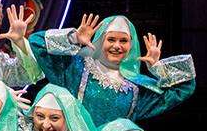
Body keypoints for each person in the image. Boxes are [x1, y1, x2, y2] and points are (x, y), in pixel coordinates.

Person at [30, 14, 195, 125]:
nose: (117, 46)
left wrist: (158, 68)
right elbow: (36, 42)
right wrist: (74, 38)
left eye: (123, 41)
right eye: (111, 39)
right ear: (101, 41)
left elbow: (185, 87)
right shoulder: (76, 68)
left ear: (131, 45)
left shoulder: (136, 88)